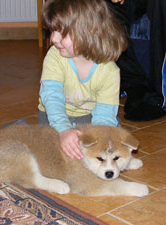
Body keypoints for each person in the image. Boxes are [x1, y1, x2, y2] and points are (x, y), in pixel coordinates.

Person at [38, 0, 128, 159]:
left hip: (88, 117)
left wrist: (95, 139)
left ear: (88, 32)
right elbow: (51, 97)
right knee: (45, 149)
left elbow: (104, 116)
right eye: (52, 31)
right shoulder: (54, 56)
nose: (54, 38)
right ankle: (23, 129)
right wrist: (64, 130)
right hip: (53, 116)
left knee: (113, 132)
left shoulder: (110, 71)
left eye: (62, 33)